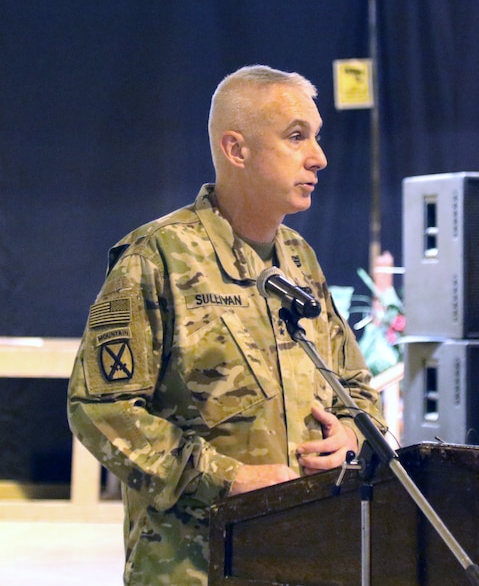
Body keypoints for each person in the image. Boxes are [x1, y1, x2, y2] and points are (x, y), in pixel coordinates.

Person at [67, 65, 386, 585]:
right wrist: (225, 478)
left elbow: (353, 385)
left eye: (317, 137)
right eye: (296, 136)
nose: (319, 157)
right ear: (236, 150)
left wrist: (351, 433)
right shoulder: (158, 258)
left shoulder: (299, 260)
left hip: (307, 556)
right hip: (196, 565)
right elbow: (101, 409)